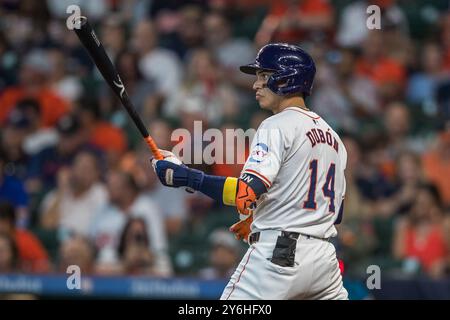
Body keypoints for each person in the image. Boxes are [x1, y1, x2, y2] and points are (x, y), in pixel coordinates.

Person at [152, 43, 348, 300]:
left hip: (280, 257)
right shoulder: (334, 138)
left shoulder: (276, 125)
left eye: (264, 76)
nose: (256, 84)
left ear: (286, 78)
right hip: (325, 262)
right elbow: (335, 214)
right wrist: (261, 216)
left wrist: (186, 177)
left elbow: (245, 192)